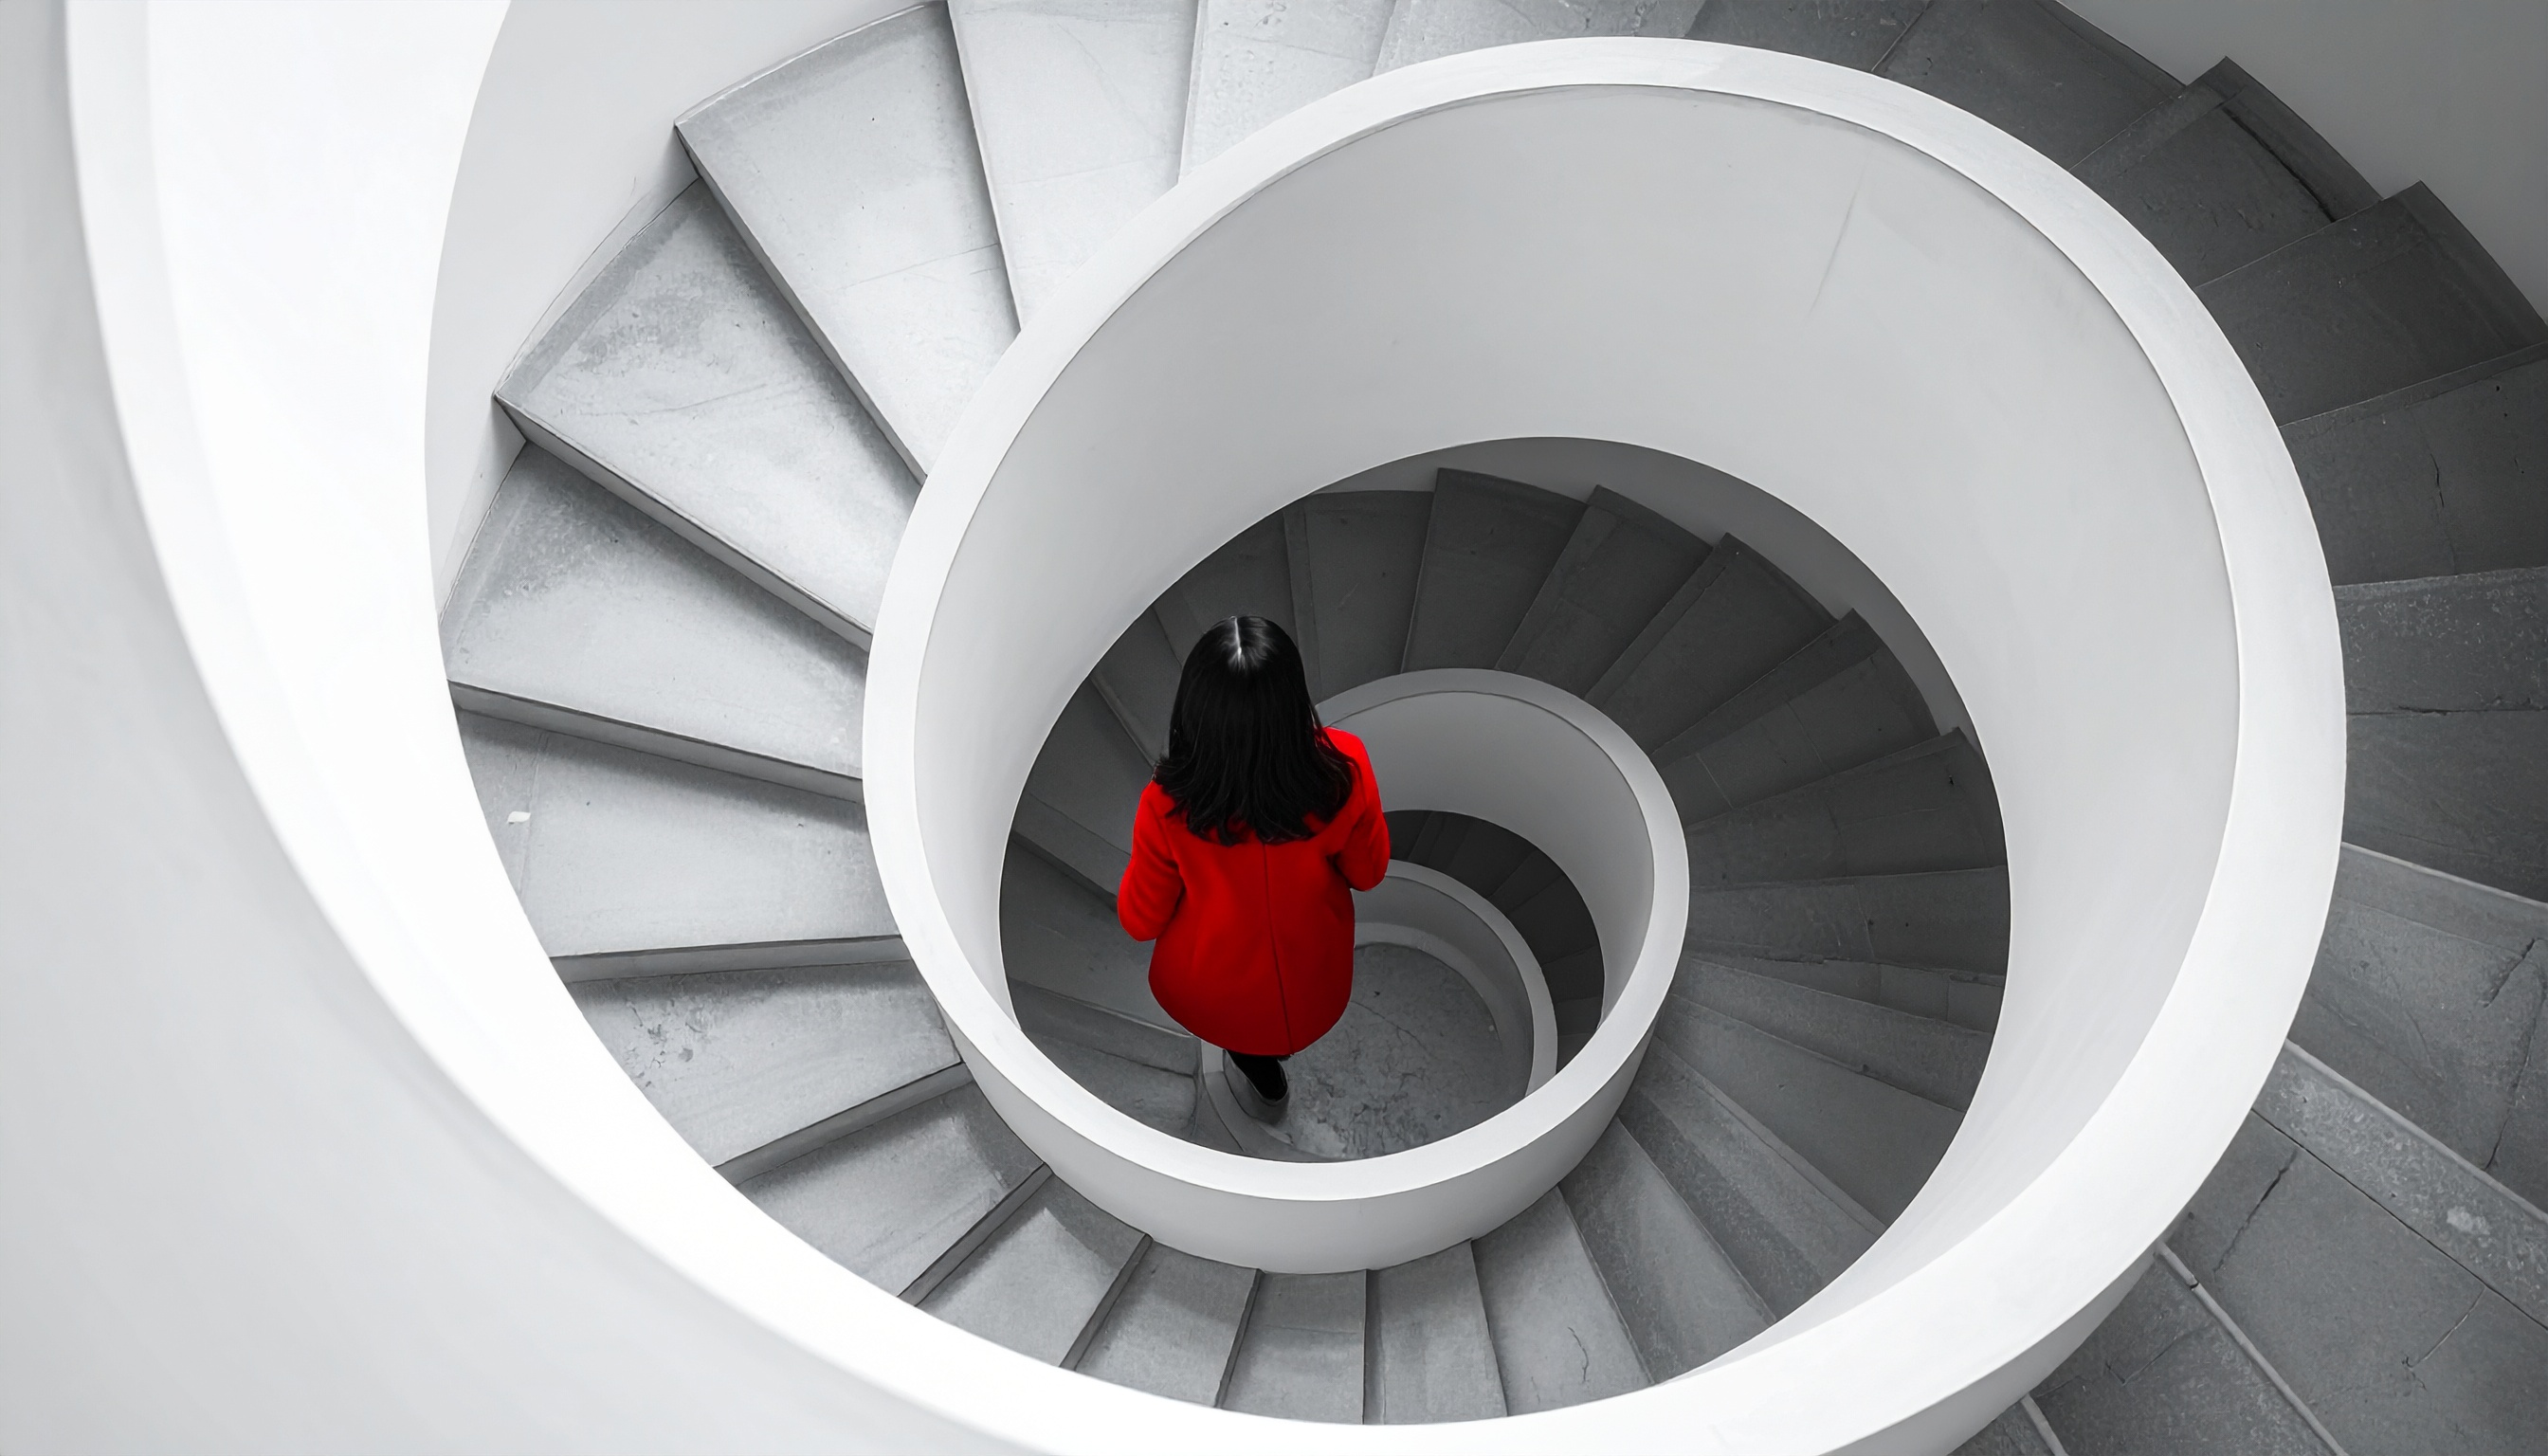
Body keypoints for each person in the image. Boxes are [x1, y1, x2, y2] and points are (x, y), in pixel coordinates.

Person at [1117, 615, 1390, 1122]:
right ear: (1293, 700)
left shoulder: (1167, 805)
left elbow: (1140, 921)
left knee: (1248, 1043)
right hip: (1314, 978)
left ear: (1193, 712)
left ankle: (1266, 1083)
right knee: (1271, 1033)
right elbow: (1369, 871)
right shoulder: (1344, 769)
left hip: (1214, 990)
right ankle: (1270, 1071)